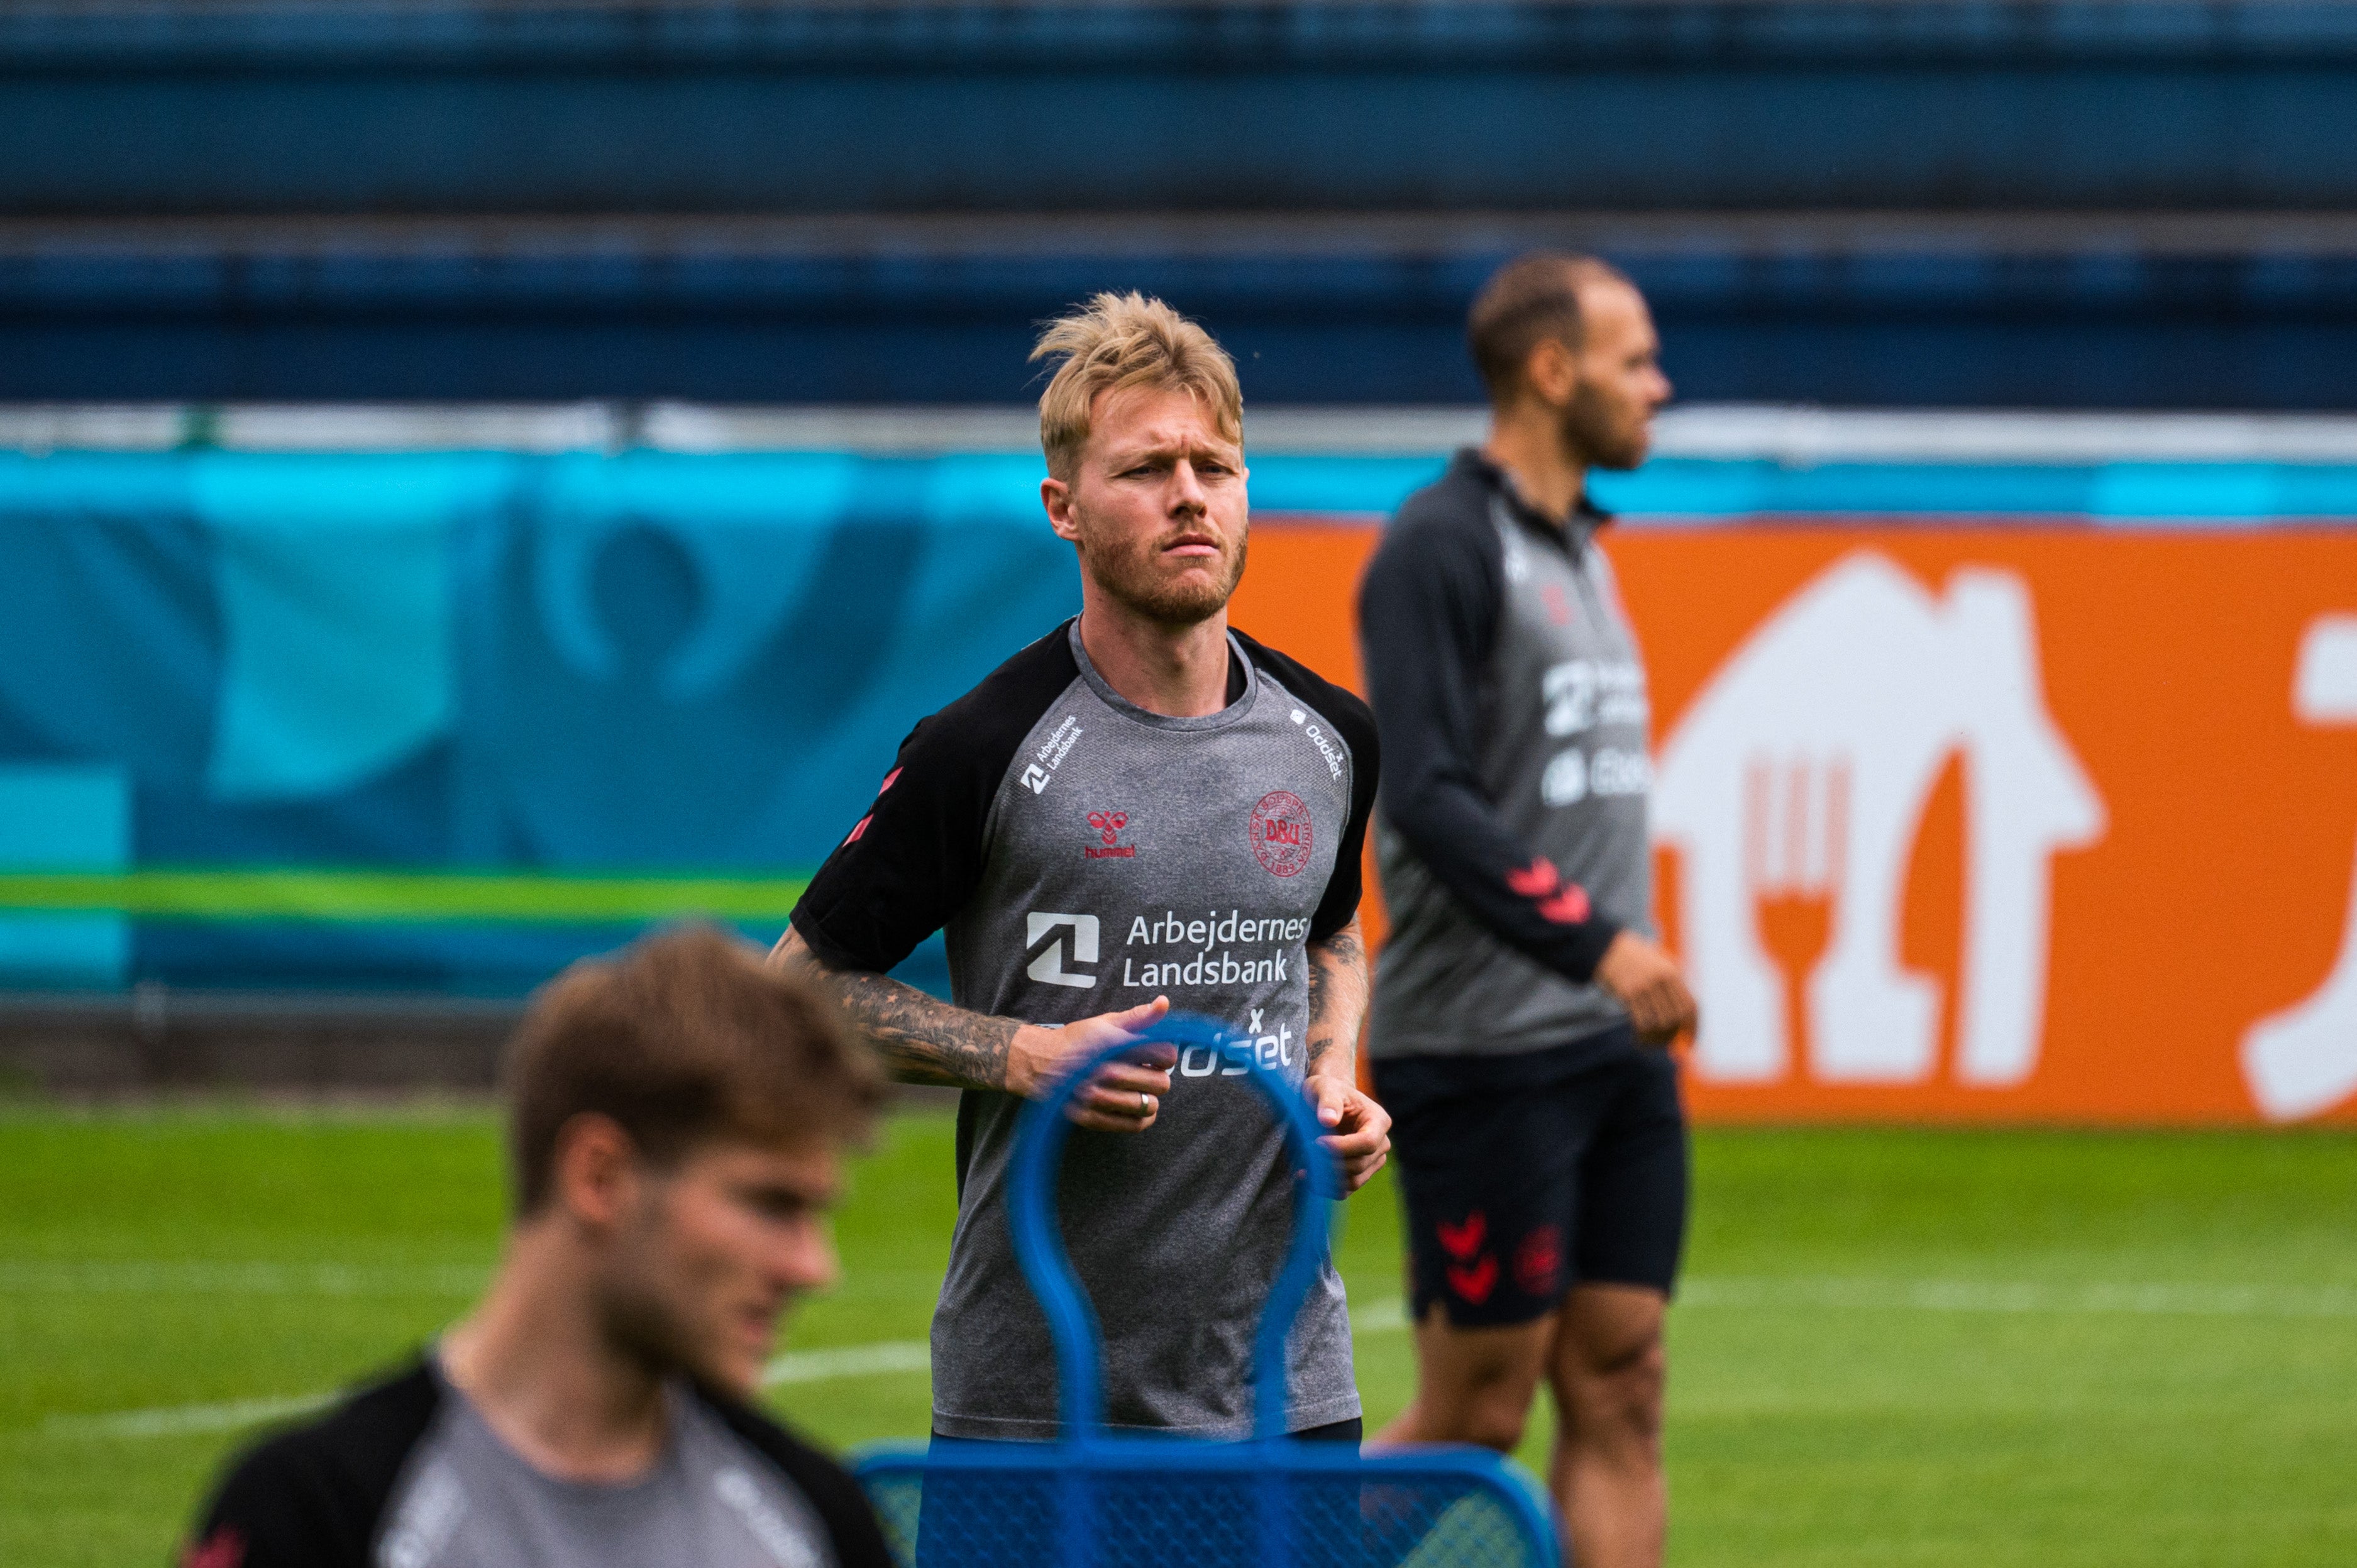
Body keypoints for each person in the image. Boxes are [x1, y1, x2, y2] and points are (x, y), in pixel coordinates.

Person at [771, 290, 1389, 1446]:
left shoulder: (1330, 732)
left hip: (1286, 1396)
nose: (1189, 492)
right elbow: (787, 996)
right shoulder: (981, 746)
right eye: (1146, 467)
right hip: (1037, 1405)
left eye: (1215, 463)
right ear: (1062, 507)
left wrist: (1333, 1073)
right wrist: (1020, 1051)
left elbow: (1329, 932)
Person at [179, 926, 895, 1568]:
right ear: (599, 1176)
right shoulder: (314, 1514)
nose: (813, 1267)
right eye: (770, 1203)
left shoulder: (817, 1519)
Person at [1357, 253, 1698, 1568]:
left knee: (1622, 1381)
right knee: (1475, 1413)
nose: (1656, 387)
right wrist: (1598, 938)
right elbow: (1427, 797)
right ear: (1549, 372)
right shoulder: (1438, 544)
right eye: (1633, 359)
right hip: (1480, 1051)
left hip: (1608, 1051)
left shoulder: (1582, 546)